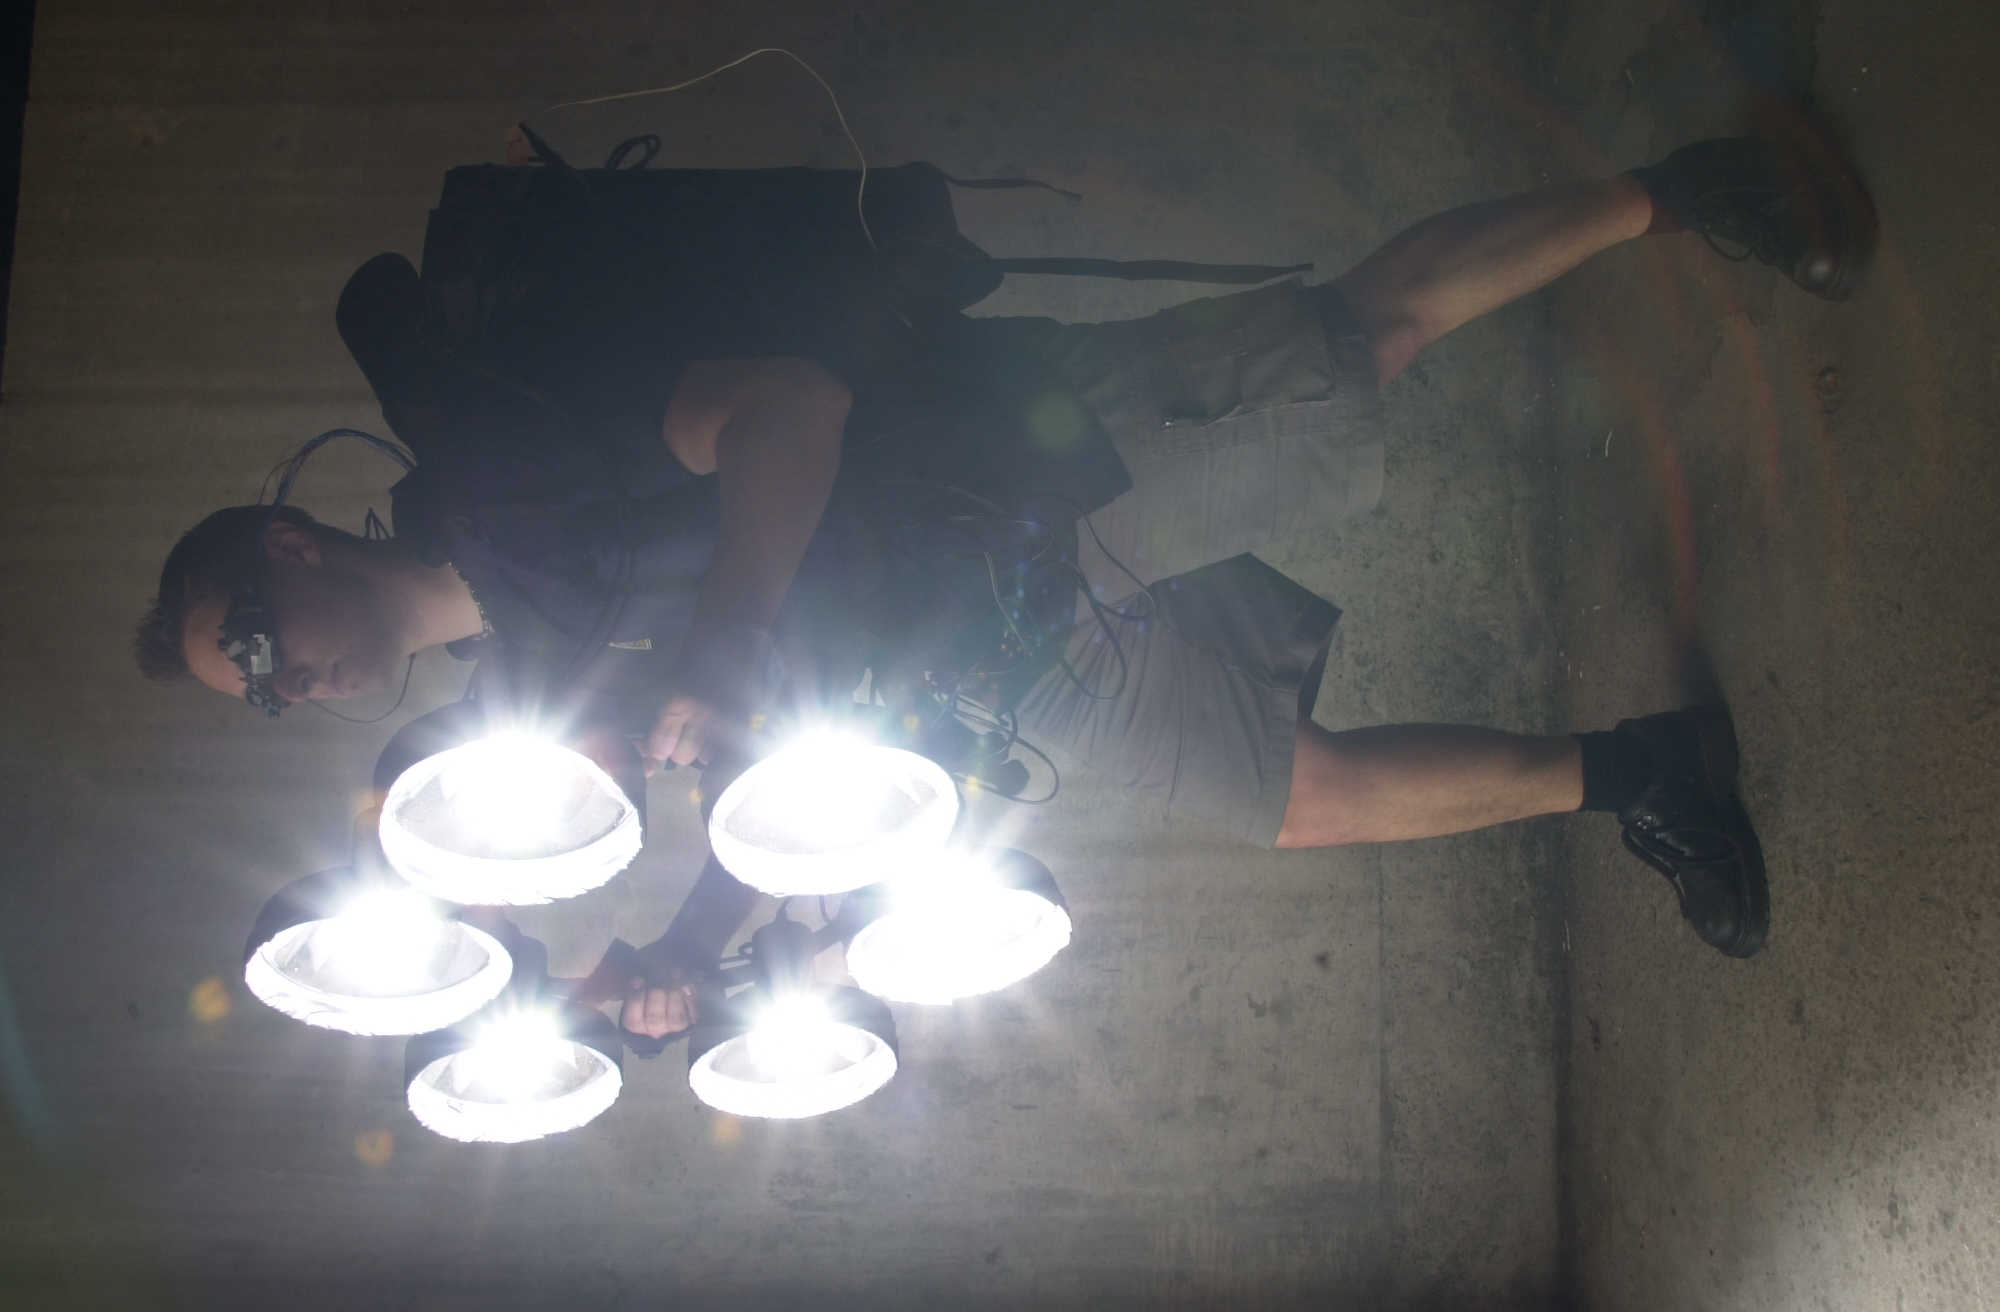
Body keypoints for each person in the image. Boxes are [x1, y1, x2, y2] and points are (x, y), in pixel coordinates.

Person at [134, 134, 1877, 1040]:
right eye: (259, 695)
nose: (292, 682)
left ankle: (1686, 191)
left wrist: (727, 637)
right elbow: (758, 797)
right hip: (976, 666)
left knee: (1363, 340)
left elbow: (788, 408)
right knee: (1300, 797)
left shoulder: (505, 468)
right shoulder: (513, 706)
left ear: (290, 542)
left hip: (998, 469)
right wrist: (677, 954)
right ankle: (1651, 775)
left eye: (258, 642)